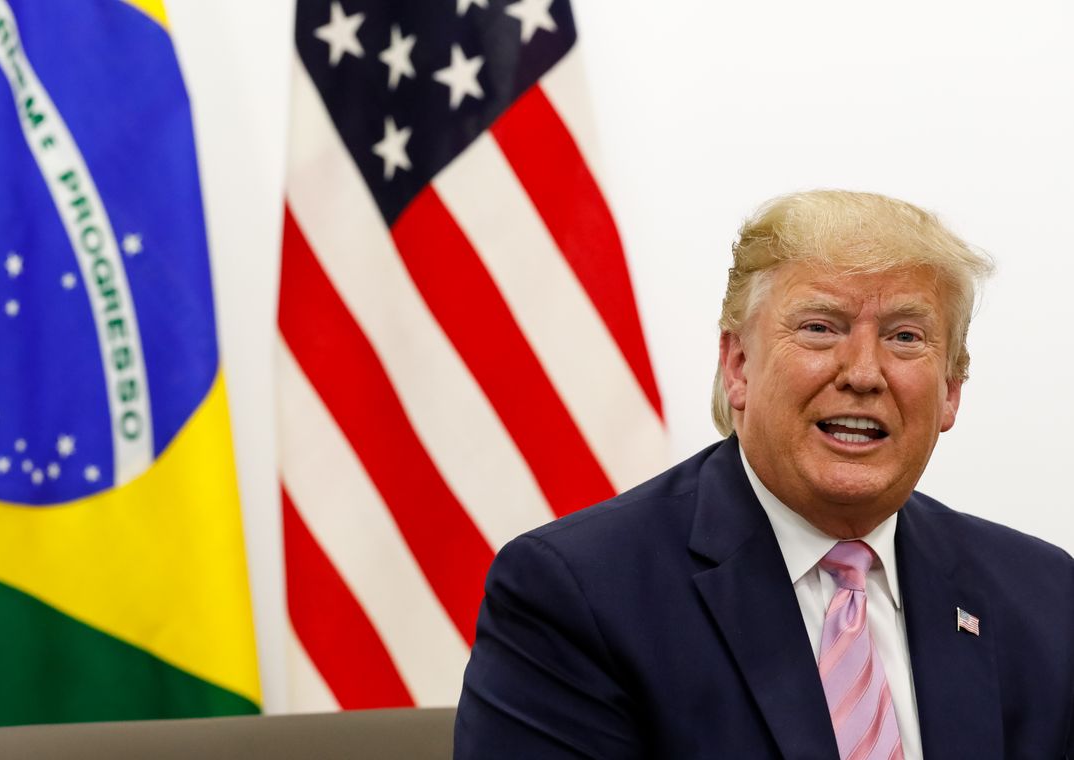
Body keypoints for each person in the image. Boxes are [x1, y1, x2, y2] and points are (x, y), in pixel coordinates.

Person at [454, 190, 1074, 758]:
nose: (863, 372)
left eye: (904, 336)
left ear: (951, 391)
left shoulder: (1043, 597)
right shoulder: (578, 594)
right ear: (739, 364)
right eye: (819, 328)